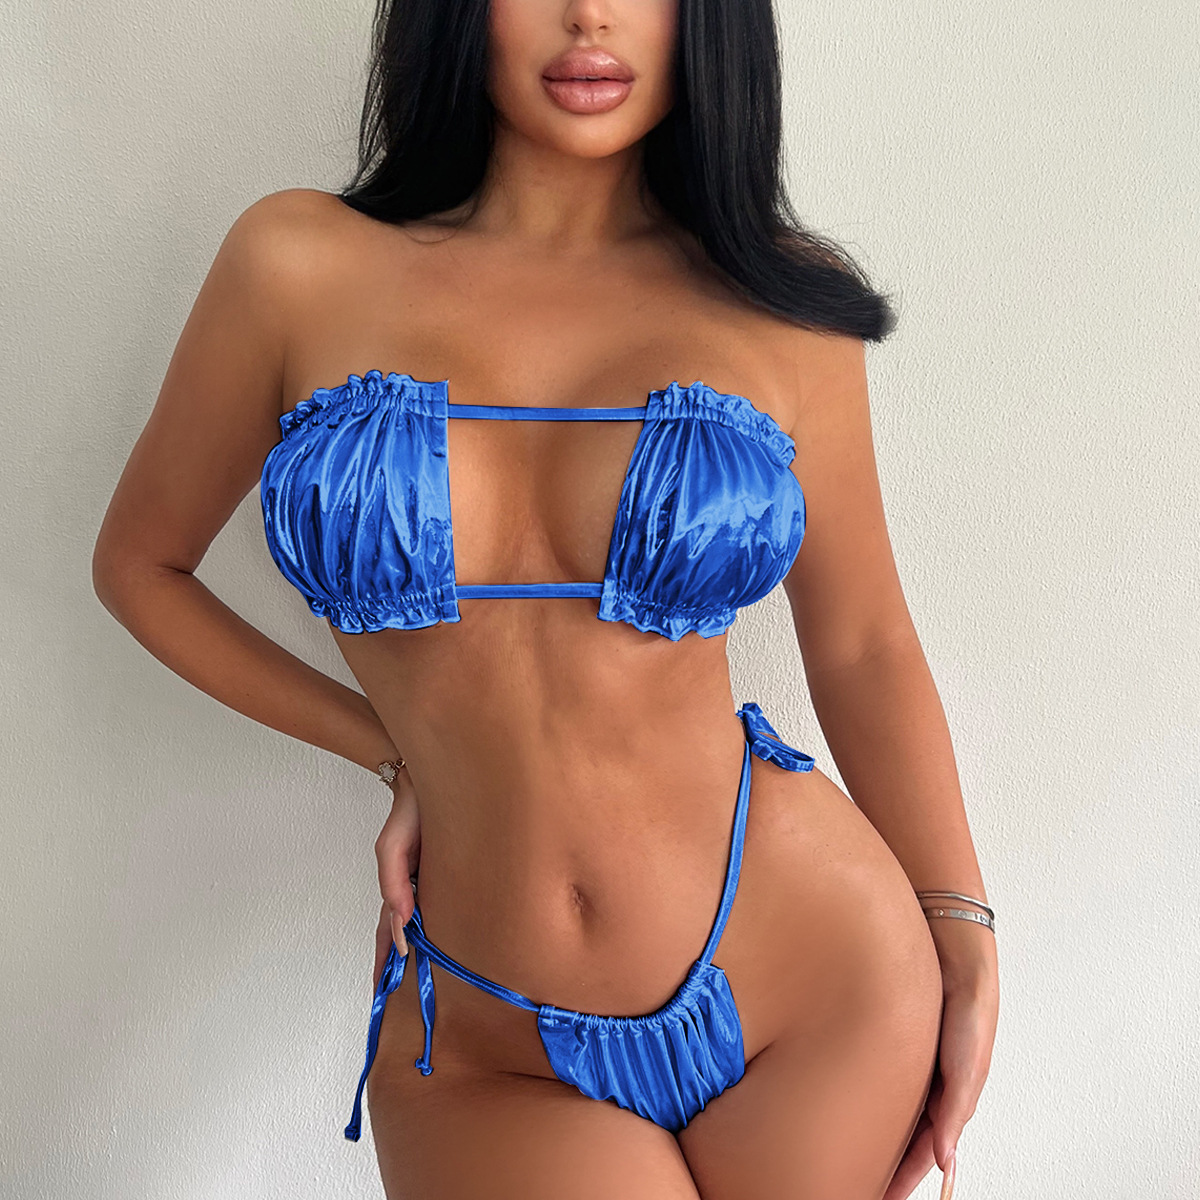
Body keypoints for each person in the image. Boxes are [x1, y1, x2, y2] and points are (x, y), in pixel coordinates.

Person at [92, 1, 999, 1197]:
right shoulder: (294, 262)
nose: (589, 16)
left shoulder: (781, 296)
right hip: (486, 1032)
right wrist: (391, 754)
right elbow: (142, 567)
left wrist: (961, 925)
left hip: (814, 983)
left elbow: (864, 643)